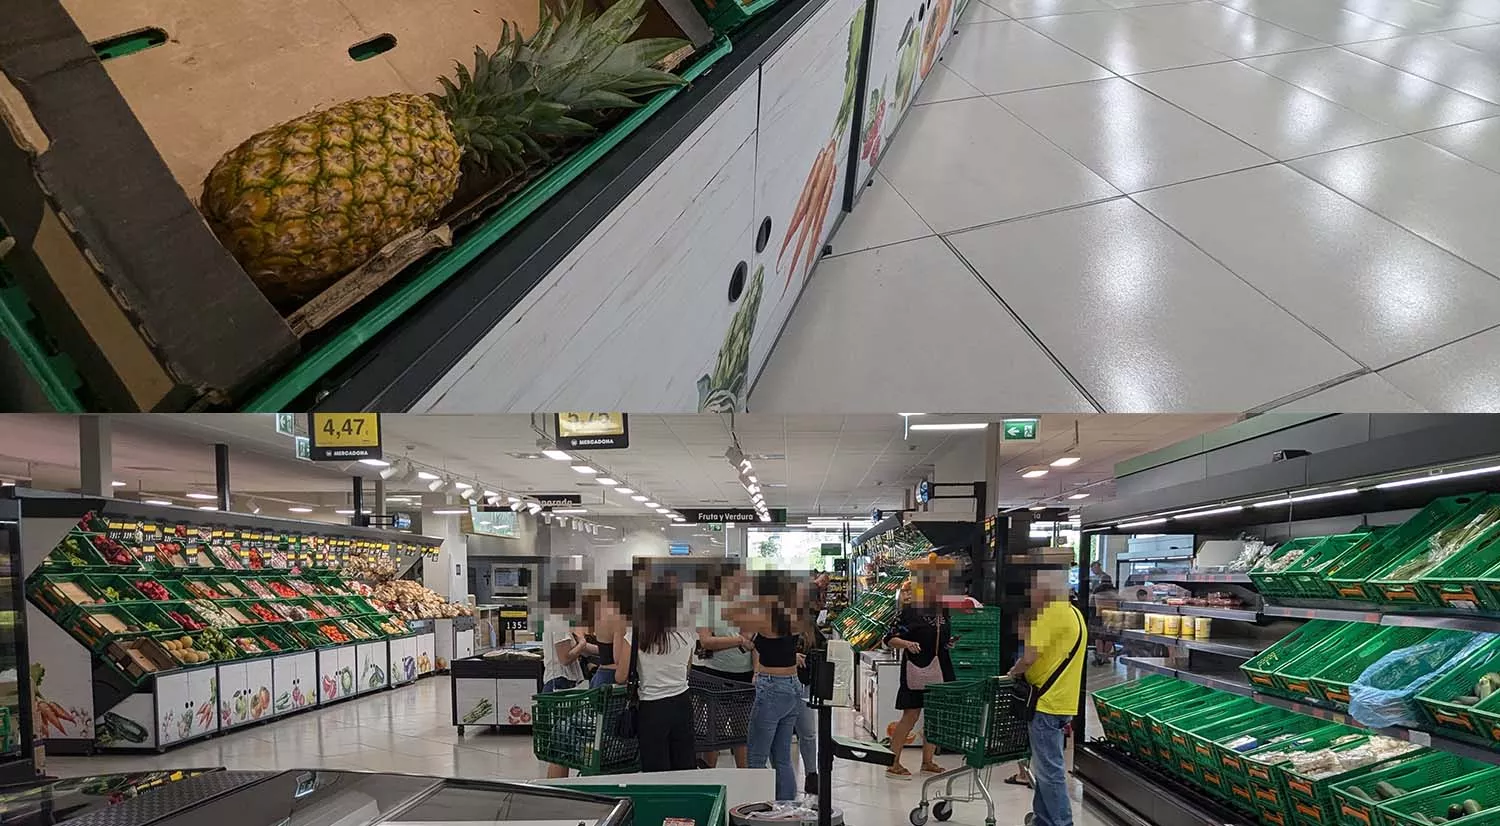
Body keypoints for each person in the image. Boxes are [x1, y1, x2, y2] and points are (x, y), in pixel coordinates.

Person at [1007, 569, 1087, 826]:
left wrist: (1013, 672)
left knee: (1050, 769)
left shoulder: (1049, 615)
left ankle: (1062, 822)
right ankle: (1043, 819)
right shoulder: (1076, 615)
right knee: (1045, 766)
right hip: (1066, 700)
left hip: (1045, 702)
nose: (1032, 594)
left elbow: (1029, 658)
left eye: (1035, 589)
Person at [733, 571, 809, 802]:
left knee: (756, 757)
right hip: (793, 687)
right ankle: (786, 806)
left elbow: (744, 638)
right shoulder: (795, 614)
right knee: (782, 756)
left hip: (772, 687)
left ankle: (757, 808)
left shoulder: (762, 617)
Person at [884, 553, 957, 779]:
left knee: (935, 714)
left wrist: (948, 643)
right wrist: (906, 643)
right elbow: (889, 638)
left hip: (941, 665)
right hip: (916, 667)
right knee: (911, 715)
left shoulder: (942, 610)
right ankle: (892, 762)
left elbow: (941, 635)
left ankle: (928, 761)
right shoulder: (911, 610)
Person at [620, 579, 696, 772]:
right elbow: (687, 670)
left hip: (652, 708)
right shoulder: (687, 632)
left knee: (656, 771)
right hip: (682, 704)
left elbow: (621, 676)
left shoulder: (636, 634)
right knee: (684, 766)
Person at [696, 564, 753, 768]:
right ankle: (710, 777)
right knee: (714, 731)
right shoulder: (708, 606)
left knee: (742, 732)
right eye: (740, 578)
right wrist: (738, 640)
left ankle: (744, 777)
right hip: (716, 676)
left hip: (744, 676)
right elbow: (705, 641)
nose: (743, 583)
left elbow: (752, 641)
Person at [541, 581, 588, 778]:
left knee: (562, 744)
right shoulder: (559, 622)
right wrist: (583, 643)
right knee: (561, 745)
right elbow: (565, 658)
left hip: (560, 682)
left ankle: (556, 789)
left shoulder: (558, 620)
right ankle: (554, 790)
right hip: (559, 685)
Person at [1089, 561, 1117, 666]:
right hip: (1112, 616)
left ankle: (1100, 657)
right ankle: (1105, 657)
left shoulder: (1097, 591)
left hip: (1099, 615)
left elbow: (1091, 603)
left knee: (1099, 637)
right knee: (1110, 637)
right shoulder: (1114, 591)